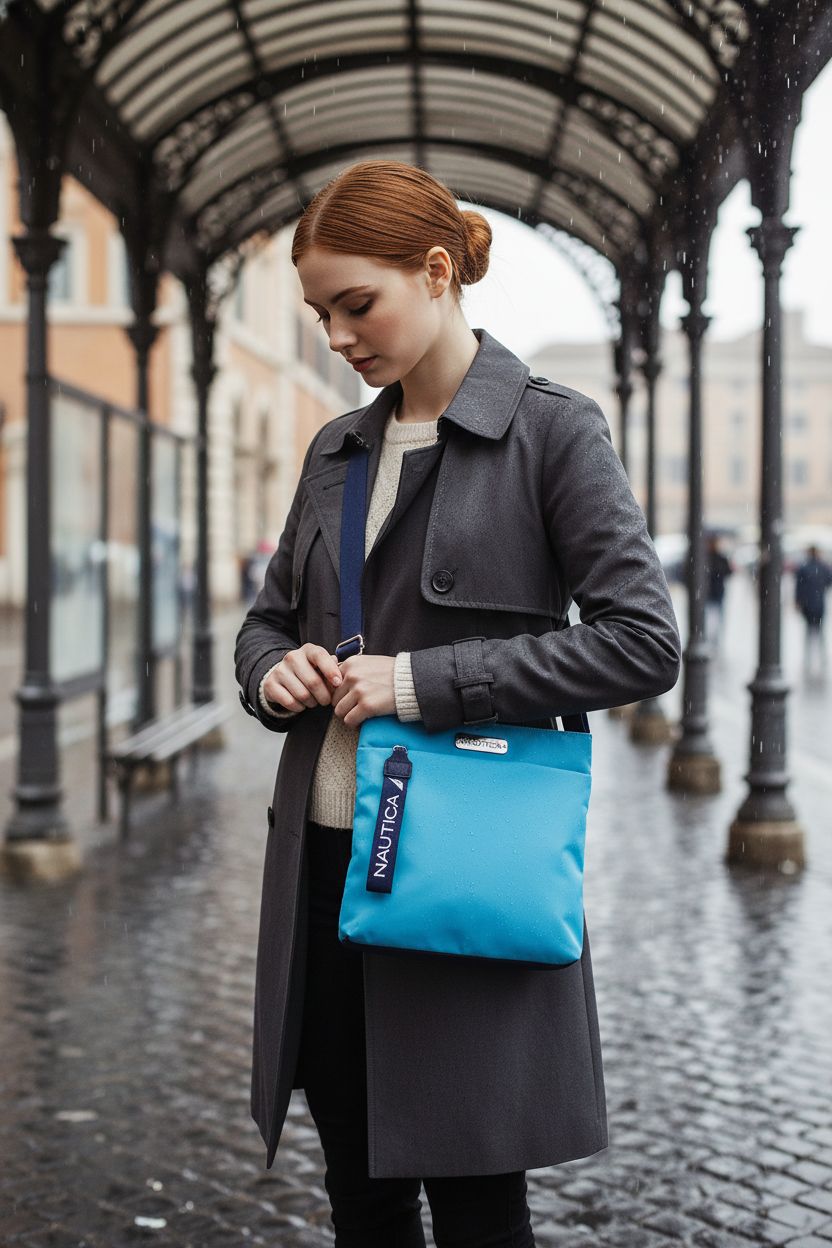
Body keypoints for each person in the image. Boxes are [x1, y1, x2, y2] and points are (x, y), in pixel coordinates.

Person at [234, 159, 681, 1248]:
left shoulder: (549, 431)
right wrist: (270, 673)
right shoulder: (335, 450)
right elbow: (265, 619)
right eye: (318, 312)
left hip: (460, 874)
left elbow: (643, 642)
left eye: (357, 304)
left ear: (436, 273)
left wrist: (426, 681)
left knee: (480, 1202)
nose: (337, 337)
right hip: (329, 870)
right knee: (362, 1197)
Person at [794, 544, 832, 675]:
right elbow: (829, 582)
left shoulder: (804, 568)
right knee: (820, 632)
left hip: (807, 604)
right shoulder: (823, 567)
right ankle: (822, 657)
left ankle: (807, 659)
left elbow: (798, 587)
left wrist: (798, 602)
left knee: (808, 632)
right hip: (819, 604)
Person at [705, 534, 733, 651]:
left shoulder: (720, 558)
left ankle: (714, 640)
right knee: (711, 618)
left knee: (717, 618)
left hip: (716, 592)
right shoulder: (706, 558)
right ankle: (711, 639)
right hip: (709, 592)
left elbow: (728, 572)